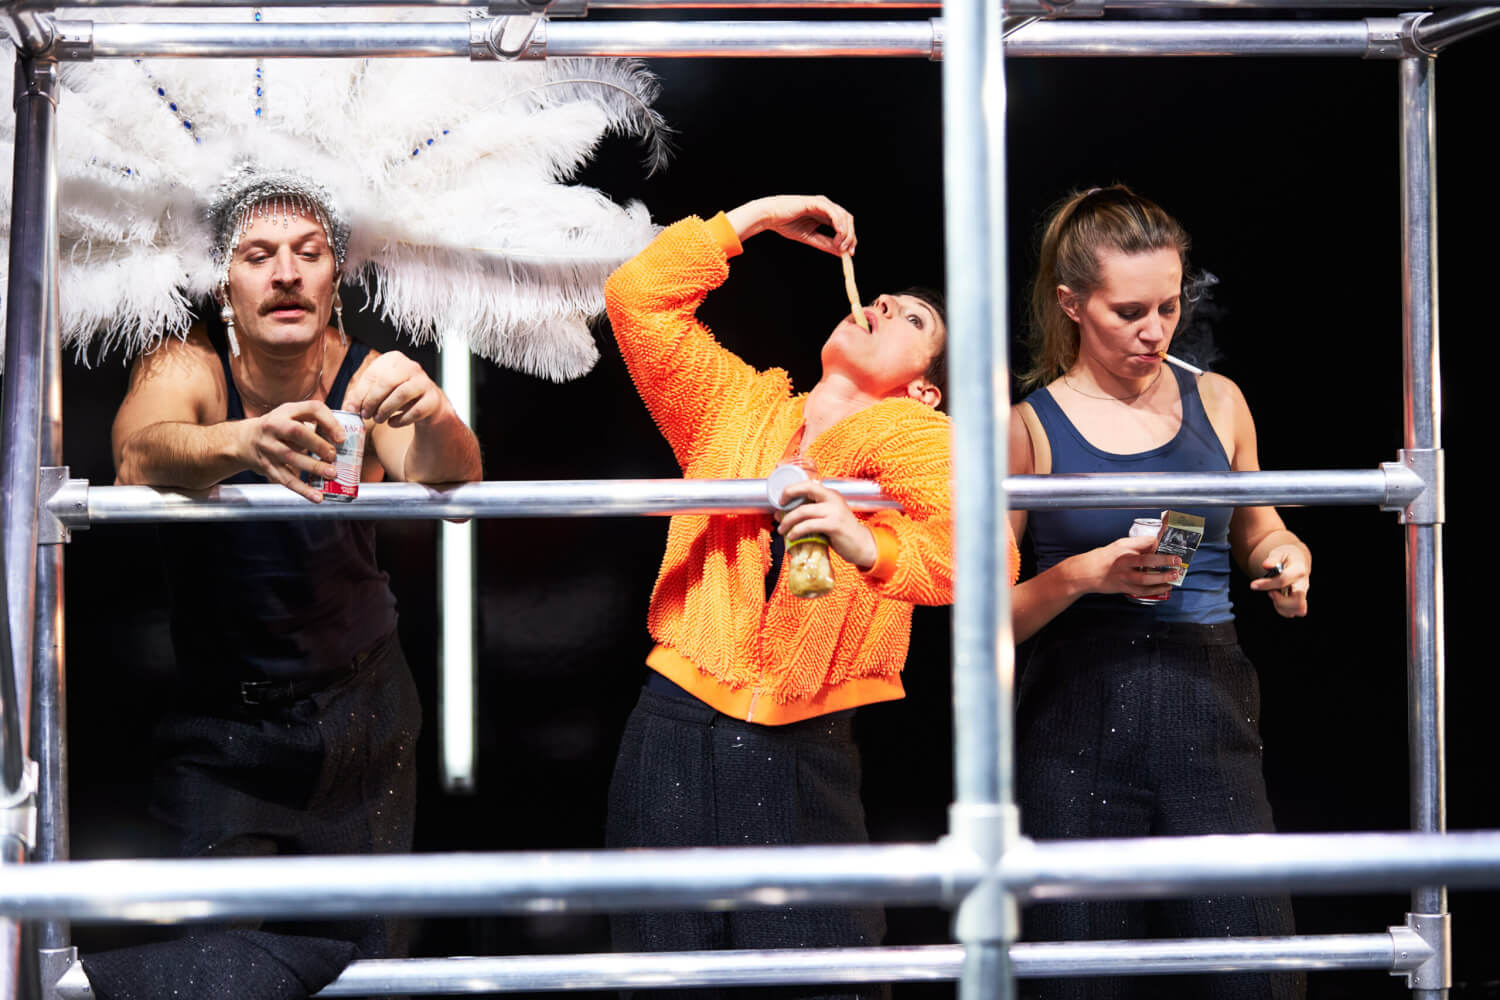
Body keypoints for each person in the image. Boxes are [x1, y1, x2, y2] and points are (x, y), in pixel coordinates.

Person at [602, 194, 1018, 999]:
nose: (887, 303)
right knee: (658, 973)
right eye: (887, 298)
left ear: (927, 390)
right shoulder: (736, 405)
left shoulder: (923, 440)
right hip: (672, 727)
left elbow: (988, 557)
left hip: (806, 745)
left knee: (827, 979)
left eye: (915, 323)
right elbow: (637, 298)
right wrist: (752, 221)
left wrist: (875, 543)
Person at [84, 166, 482, 1000]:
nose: (286, 273)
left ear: (336, 275)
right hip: (223, 727)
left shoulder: (371, 374)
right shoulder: (186, 364)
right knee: (206, 967)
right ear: (225, 283)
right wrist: (245, 442)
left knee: (368, 971)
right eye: (258, 255)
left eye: (308, 252)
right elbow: (135, 456)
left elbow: (451, 481)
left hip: (363, 713)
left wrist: (434, 410)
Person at [1009, 185, 1310, 1000]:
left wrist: (1286, 560)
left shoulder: (1219, 399)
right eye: (1129, 311)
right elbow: (983, 619)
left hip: (1207, 694)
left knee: (1252, 967)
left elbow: (1261, 526)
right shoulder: (1030, 424)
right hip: (1074, 710)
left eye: (1170, 308)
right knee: (1080, 976)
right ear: (1072, 304)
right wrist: (1084, 574)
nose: (1155, 331)